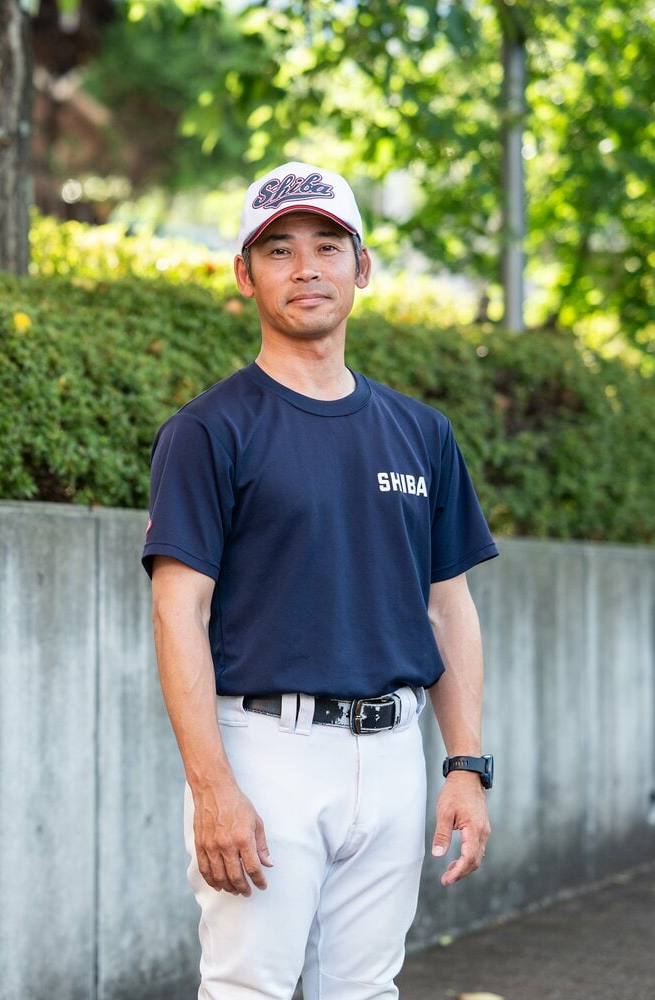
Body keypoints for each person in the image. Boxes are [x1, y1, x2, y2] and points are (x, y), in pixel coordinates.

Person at [142, 161, 499, 1000]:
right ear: (245, 274)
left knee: (368, 993)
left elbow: (448, 609)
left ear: (361, 267)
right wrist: (212, 787)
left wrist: (465, 765)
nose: (307, 268)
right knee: (249, 990)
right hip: (267, 754)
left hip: (392, 754)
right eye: (279, 250)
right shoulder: (208, 431)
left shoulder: (422, 433)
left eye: (328, 246)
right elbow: (177, 611)